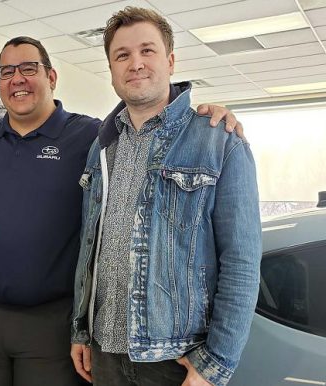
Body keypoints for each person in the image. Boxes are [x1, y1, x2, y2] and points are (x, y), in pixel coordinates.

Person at [0, 36, 244, 386]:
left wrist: (209, 116)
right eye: (7, 71)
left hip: (51, 321)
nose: (17, 78)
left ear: (51, 77)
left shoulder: (91, 136)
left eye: (28, 68)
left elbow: (147, 137)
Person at [70, 7, 262, 386]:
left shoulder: (218, 140)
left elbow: (242, 261)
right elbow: (90, 248)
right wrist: (81, 329)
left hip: (176, 358)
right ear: (111, 70)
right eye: (122, 55)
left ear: (171, 61)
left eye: (147, 51)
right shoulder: (101, 148)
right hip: (105, 352)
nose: (135, 63)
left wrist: (216, 363)